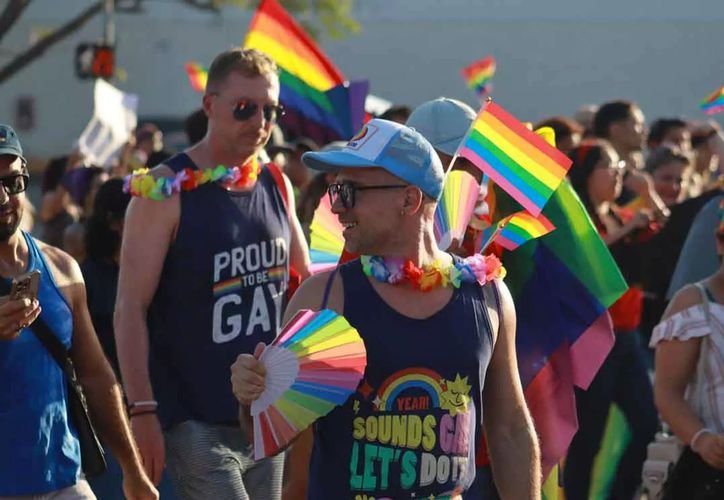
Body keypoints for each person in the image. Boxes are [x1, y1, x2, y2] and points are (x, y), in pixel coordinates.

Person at [231, 119, 541, 499]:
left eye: (350, 191)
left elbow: (509, 428)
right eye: (334, 190)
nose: (337, 207)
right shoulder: (324, 297)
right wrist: (251, 396)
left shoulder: (487, 295)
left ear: (409, 200)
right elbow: (272, 435)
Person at [114, 47, 310, 499]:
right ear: (210, 106)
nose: (260, 121)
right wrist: (142, 410)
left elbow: (305, 280)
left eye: (271, 109)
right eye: (245, 107)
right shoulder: (163, 190)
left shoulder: (274, 181)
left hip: (265, 411)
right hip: (194, 418)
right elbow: (129, 308)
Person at [0, 125, 157, 499]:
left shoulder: (62, 269)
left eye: (13, 181)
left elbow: (96, 376)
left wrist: (133, 470)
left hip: (63, 477)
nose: (3, 196)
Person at [564, 140, 659, 499]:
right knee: (588, 437)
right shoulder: (579, 218)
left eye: (621, 166)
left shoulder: (620, 214)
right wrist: (627, 228)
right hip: (593, 340)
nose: (619, 172)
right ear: (587, 174)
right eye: (610, 166)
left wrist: (648, 197)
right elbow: (587, 260)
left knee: (647, 423)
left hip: (628, 335)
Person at [651, 201, 724, 498]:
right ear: (720, 243)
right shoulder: (695, 303)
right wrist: (702, 439)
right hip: (711, 475)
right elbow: (667, 393)